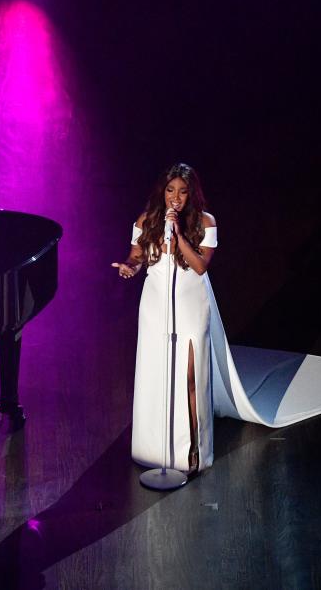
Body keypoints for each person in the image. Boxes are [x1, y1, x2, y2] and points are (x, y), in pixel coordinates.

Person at [112, 163, 218, 474]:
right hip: (157, 301)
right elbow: (136, 255)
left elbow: (200, 266)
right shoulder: (147, 220)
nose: (176, 198)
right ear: (162, 191)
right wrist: (130, 267)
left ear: (191, 194)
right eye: (171, 190)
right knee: (157, 371)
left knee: (190, 374)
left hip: (191, 302)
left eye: (183, 192)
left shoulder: (205, 222)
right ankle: (157, 449)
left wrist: (179, 235)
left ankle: (193, 449)